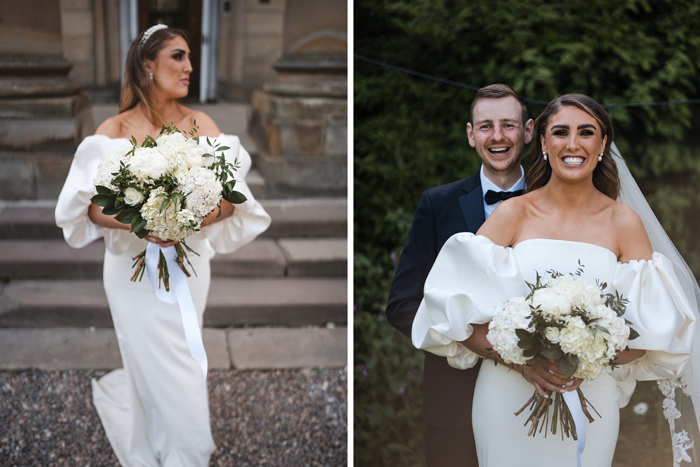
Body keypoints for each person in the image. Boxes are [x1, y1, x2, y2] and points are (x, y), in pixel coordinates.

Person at [412, 93, 698, 466]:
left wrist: (587, 354)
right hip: (505, 397)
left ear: (602, 144)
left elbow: (653, 330)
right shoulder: (513, 213)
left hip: (592, 395)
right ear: (544, 142)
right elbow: (449, 312)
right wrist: (522, 362)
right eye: (560, 132)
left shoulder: (624, 222)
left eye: (586, 132)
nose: (573, 144)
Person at [55, 25, 271, 466]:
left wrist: (183, 219)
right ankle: (167, 443)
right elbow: (91, 209)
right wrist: (144, 223)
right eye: (178, 56)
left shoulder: (201, 125)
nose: (189, 67)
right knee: (143, 360)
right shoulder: (112, 130)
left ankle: (185, 451)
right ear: (147, 64)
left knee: (183, 364)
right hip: (128, 273)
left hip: (188, 269)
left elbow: (232, 202)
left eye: (190, 57)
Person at [387, 84, 534, 465]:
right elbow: (402, 304)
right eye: (486, 126)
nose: (497, 136)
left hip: (540, 400)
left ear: (529, 131)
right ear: (471, 135)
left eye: (508, 125)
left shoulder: (558, 208)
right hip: (455, 403)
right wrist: (473, 339)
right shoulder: (437, 204)